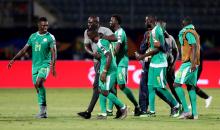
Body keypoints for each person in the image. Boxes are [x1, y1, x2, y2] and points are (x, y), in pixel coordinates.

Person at [8, 17, 57, 118]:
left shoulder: (50, 37)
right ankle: (42, 111)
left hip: (45, 64)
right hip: (35, 66)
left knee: (39, 82)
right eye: (43, 25)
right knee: (37, 86)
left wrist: (53, 66)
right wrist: (14, 59)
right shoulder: (33, 36)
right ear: (38, 25)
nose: (45, 27)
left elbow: (54, 52)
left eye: (46, 25)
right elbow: (24, 50)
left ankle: (43, 111)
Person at [135, 16, 179, 117]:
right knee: (151, 87)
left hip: (160, 63)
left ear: (150, 21)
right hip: (153, 63)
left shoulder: (156, 31)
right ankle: (152, 112)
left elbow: (159, 49)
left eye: (146, 20)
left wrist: (142, 56)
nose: (145, 22)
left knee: (160, 88)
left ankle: (176, 105)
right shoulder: (154, 31)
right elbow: (155, 47)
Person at [77, 16, 118, 119]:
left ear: (97, 22)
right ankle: (120, 109)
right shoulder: (87, 32)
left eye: (91, 22)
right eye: (88, 22)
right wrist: (93, 54)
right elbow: (86, 46)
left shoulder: (105, 30)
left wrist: (103, 37)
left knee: (99, 87)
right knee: (107, 88)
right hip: (96, 62)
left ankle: (89, 112)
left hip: (105, 61)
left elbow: (115, 38)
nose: (89, 24)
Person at [87, 28, 128, 119]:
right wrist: (97, 55)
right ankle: (104, 113)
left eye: (89, 36)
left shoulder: (101, 43)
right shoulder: (102, 42)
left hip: (110, 70)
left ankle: (123, 107)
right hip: (105, 68)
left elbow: (109, 55)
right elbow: (104, 55)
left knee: (105, 91)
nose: (89, 38)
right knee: (100, 89)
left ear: (94, 35)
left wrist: (105, 71)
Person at [109, 15, 141, 117]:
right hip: (115, 63)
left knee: (121, 86)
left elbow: (117, 50)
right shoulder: (114, 33)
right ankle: (113, 110)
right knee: (111, 86)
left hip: (122, 63)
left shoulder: (120, 33)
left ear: (117, 21)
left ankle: (137, 106)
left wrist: (107, 57)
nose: (110, 22)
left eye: (111, 20)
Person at [174, 17, 200, 119]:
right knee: (191, 86)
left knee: (176, 84)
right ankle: (194, 114)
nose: (181, 25)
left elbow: (193, 46)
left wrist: (192, 63)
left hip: (189, 63)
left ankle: (186, 110)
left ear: (185, 24)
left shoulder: (187, 33)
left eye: (182, 23)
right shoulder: (194, 32)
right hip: (194, 62)